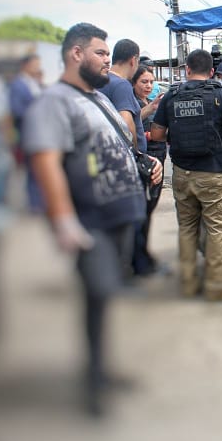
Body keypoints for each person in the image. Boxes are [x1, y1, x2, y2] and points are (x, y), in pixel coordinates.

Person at [23, 22, 161, 417]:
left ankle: (101, 370)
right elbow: (45, 160)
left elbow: (119, 142)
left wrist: (147, 162)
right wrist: (63, 220)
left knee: (104, 297)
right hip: (91, 219)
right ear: (76, 54)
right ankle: (93, 384)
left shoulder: (97, 99)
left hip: (120, 214)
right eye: (100, 53)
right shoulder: (56, 101)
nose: (107, 60)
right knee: (98, 291)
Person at [149, 49, 222, 301]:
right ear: (212, 72)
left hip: (182, 173)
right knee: (217, 230)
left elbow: (158, 135)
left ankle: (189, 283)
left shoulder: (171, 95)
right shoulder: (221, 96)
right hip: (213, 174)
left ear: (187, 70)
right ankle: (216, 287)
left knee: (187, 229)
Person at [98, 39, 154, 276]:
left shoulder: (101, 82)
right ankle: (137, 266)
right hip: (127, 161)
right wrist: (137, 153)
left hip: (107, 158)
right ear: (134, 60)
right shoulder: (121, 85)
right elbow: (126, 122)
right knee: (136, 217)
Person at [131, 65, 168, 277]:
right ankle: (139, 260)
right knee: (143, 211)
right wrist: (153, 108)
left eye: (151, 82)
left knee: (149, 210)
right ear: (134, 83)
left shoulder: (148, 102)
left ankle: (143, 254)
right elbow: (133, 123)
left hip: (159, 157)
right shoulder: (135, 104)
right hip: (146, 160)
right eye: (144, 82)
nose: (148, 85)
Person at [7, 53, 44, 212]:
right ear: (26, 65)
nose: (37, 67)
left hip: (37, 131)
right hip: (28, 132)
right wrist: (36, 111)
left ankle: (38, 201)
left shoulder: (32, 83)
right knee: (32, 168)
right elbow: (16, 110)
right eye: (35, 64)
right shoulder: (18, 84)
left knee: (37, 168)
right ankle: (35, 204)